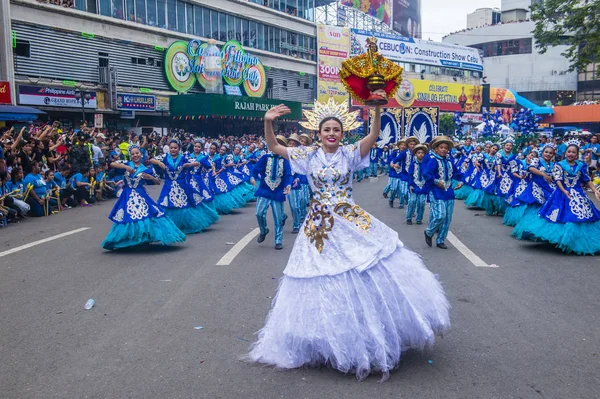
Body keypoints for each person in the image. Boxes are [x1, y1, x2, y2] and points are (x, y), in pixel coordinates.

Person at [245, 100, 450, 381]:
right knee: (319, 277)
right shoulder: (307, 155)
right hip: (318, 225)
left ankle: (366, 336)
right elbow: (275, 148)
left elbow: (373, 136)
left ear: (342, 133)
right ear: (318, 133)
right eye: (326, 129)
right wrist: (268, 122)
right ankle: (322, 340)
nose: (331, 133)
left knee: (363, 270)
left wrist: (377, 110)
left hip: (350, 218)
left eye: (336, 130)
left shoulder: (350, 153)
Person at [513, 140, 600, 255]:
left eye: (573, 152)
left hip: (579, 195)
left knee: (581, 217)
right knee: (563, 217)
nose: (570, 154)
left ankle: (576, 242)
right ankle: (563, 240)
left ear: (577, 153)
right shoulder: (560, 165)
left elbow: (587, 180)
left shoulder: (581, 165)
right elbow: (558, 180)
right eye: (569, 151)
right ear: (566, 153)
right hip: (561, 194)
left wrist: (595, 191)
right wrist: (564, 191)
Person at [102, 145, 186, 250]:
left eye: (137, 153)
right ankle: (129, 239)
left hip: (141, 194)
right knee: (128, 217)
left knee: (145, 216)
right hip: (127, 195)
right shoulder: (127, 163)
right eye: (132, 154)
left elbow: (158, 181)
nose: (135, 155)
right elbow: (112, 163)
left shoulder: (147, 169)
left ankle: (143, 237)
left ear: (141, 154)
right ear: (130, 156)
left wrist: (149, 177)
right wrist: (125, 167)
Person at [150, 139, 219, 234]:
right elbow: (151, 159)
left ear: (179, 149)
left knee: (185, 205)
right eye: (171, 148)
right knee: (167, 205)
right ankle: (170, 227)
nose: (173, 150)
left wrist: (189, 164)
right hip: (168, 186)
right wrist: (159, 163)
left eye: (175, 148)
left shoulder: (183, 157)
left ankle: (187, 224)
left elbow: (197, 163)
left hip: (182, 185)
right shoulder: (165, 157)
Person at [423, 136, 464, 249]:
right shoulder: (433, 161)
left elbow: (457, 173)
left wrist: (461, 181)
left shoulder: (449, 161)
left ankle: (441, 240)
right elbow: (426, 174)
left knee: (447, 219)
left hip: (449, 192)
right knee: (440, 215)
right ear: (436, 149)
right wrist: (436, 181)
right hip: (436, 192)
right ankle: (429, 232)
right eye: (441, 147)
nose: (444, 150)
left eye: (446, 148)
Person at [252, 135, 292, 249]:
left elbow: (288, 175)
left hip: (278, 192)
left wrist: (288, 185)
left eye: (279, 145)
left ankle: (278, 240)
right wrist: (253, 177)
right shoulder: (265, 157)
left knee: (278, 218)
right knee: (259, 213)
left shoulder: (285, 160)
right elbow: (256, 169)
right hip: (264, 189)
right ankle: (264, 230)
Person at [286, 134, 309, 234]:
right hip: (282, 183)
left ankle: (297, 224)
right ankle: (282, 217)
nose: (291, 146)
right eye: (289, 144)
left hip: (296, 182)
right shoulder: (283, 155)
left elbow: (302, 168)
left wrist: (298, 178)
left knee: (296, 204)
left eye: (293, 144)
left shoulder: (300, 156)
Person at [406, 144, 429, 225]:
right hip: (414, 185)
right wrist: (410, 185)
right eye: (418, 152)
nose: (420, 154)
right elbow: (410, 175)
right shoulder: (413, 164)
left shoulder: (427, 164)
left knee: (421, 203)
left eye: (422, 153)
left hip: (423, 186)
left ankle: (419, 219)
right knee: (412, 202)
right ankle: (409, 217)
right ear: (415, 154)